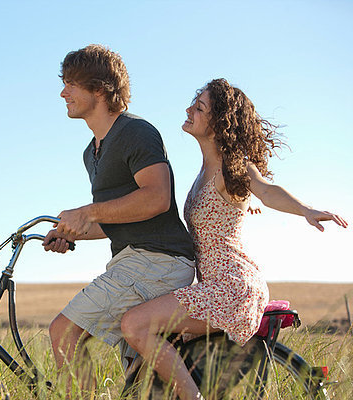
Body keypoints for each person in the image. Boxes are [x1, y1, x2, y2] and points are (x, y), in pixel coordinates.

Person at [120, 78, 348, 400]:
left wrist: (306, 209)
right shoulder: (204, 172)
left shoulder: (233, 167)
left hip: (232, 286)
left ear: (218, 123)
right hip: (212, 284)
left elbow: (266, 190)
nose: (188, 109)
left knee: (135, 324)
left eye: (199, 107)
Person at [43, 44, 196, 394]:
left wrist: (88, 211)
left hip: (158, 259)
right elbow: (119, 218)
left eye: (71, 84)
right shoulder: (91, 152)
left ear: (99, 88)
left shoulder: (135, 132)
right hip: (133, 260)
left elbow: (156, 197)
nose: (63, 92)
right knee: (139, 382)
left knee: (63, 331)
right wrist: (74, 232)